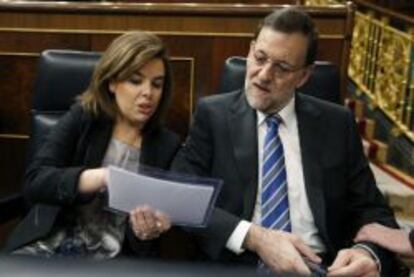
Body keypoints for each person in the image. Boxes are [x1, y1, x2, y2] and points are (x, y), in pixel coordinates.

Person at [172, 7, 398, 276]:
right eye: (260, 58)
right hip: (238, 265)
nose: (264, 75)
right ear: (250, 50)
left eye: (282, 67)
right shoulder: (213, 115)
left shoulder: (336, 124)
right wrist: (256, 237)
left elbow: (371, 209)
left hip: (321, 266)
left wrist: (367, 252)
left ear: (304, 76)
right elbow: (180, 193)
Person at [3, 31, 194, 259]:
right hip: (50, 247)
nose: (148, 93)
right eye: (135, 81)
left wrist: (147, 231)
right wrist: (100, 177)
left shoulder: (167, 146)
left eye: (157, 84)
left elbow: (153, 238)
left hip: (115, 261)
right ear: (112, 82)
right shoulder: (84, 118)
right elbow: (36, 182)